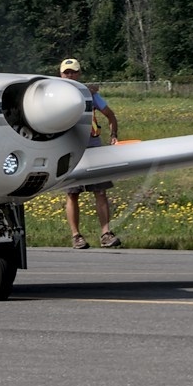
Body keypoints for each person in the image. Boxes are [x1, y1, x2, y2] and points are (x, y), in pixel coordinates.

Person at [59, 57, 121, 249]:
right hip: (71, 148)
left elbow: (110, 115)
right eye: (66, 72)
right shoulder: (56, 94)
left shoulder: (90, 94)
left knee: (100, 191)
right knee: (72, 194)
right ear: (61, 74)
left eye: (73, 72)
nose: (70, 75)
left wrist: (113, 135)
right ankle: (76, 236)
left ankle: (106, 233)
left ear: (79, 73)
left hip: (93, 146)